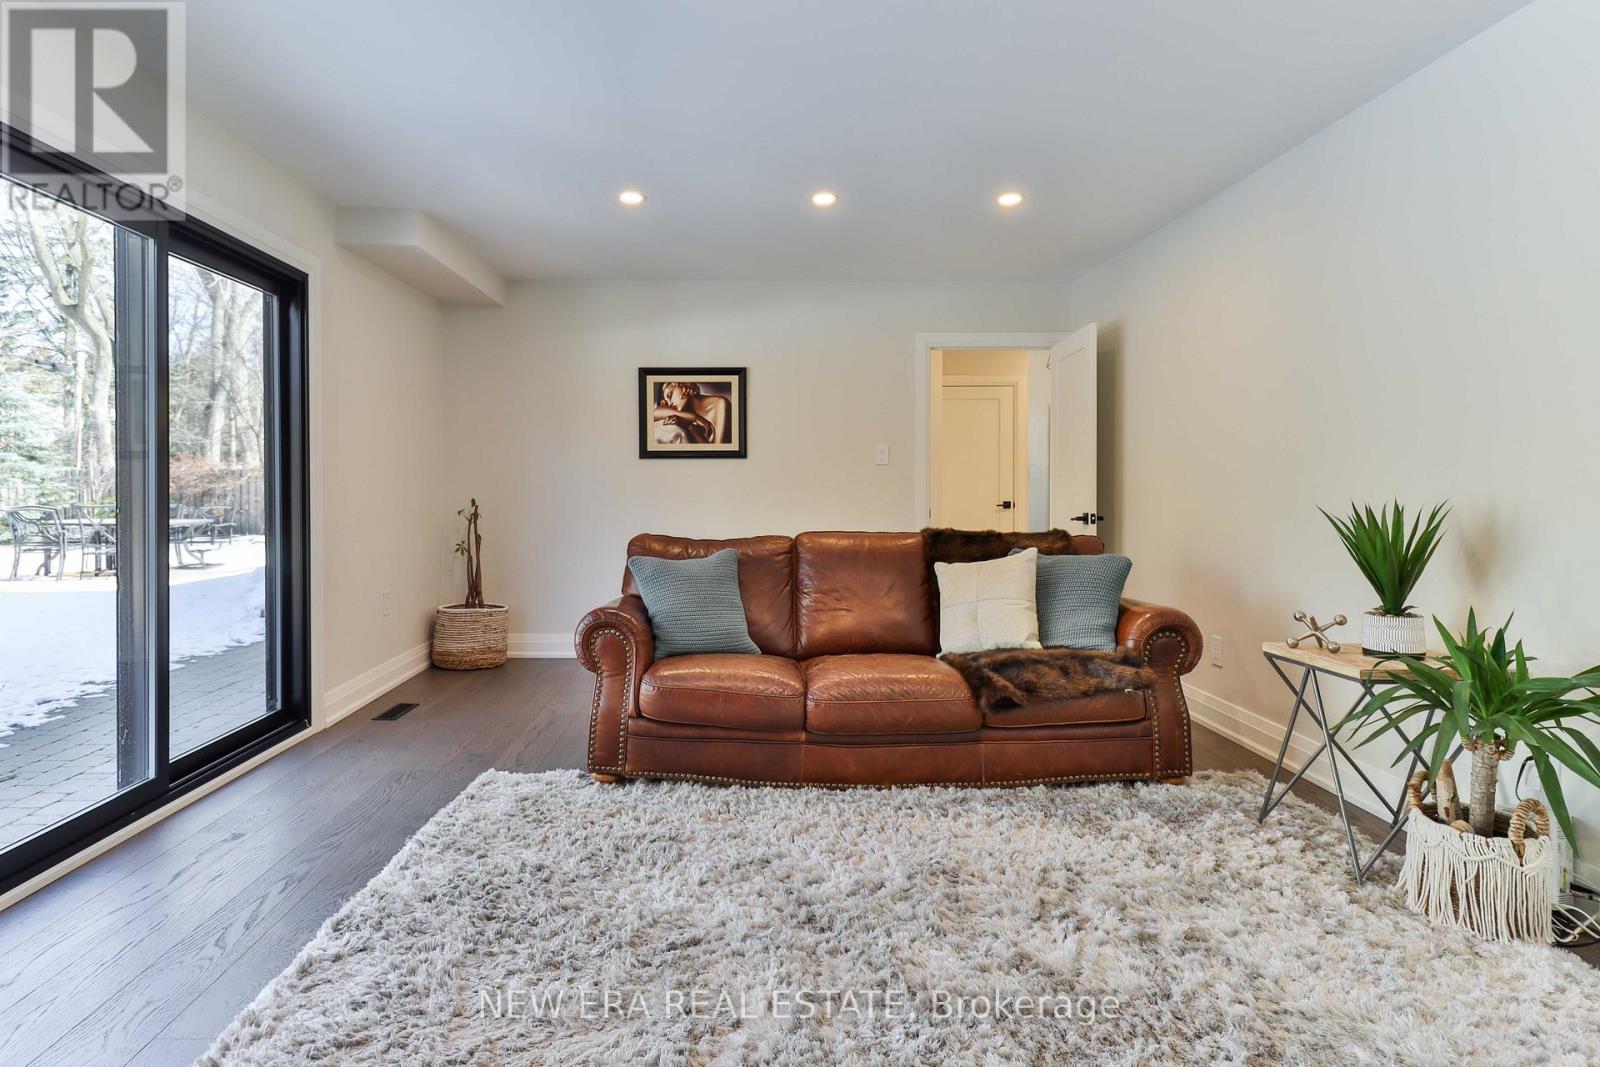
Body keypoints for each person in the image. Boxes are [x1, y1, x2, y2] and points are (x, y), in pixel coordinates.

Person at [652, 381, 729, 444]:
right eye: (667, 404)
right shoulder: (687, 419)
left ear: (682, 385)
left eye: (670, 395)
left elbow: (716, 454)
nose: (670, 404)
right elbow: (654, 414)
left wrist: (693, 418)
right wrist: (691, 422)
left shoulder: (719, 403)